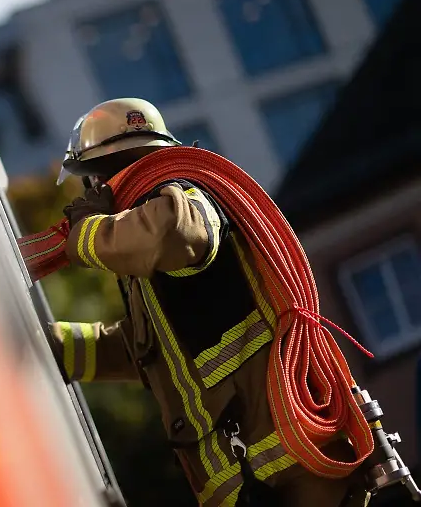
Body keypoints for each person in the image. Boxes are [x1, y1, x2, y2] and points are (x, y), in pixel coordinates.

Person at [39, 98, 369, 507]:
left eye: (89, 182)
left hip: (289, 461)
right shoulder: (155, 263)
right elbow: (153, 351)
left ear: (101, 178)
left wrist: (85, 235)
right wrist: (52, 347)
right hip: (255, 477)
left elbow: (174, 232)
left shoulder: (186, 200)